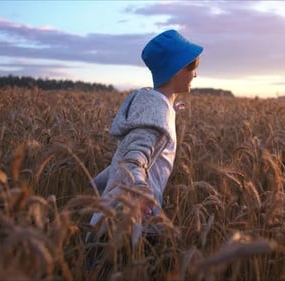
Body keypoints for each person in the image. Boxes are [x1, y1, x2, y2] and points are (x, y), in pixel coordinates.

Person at [87, 29, 203, 241]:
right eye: (192, 66)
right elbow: (133, 159)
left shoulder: (159, 106)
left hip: (119, 218)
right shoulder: (156, 112)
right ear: (175, 69)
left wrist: (172, 109)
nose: (195, 73)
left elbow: (127, 155)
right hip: (127, 224)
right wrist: (142, 192)